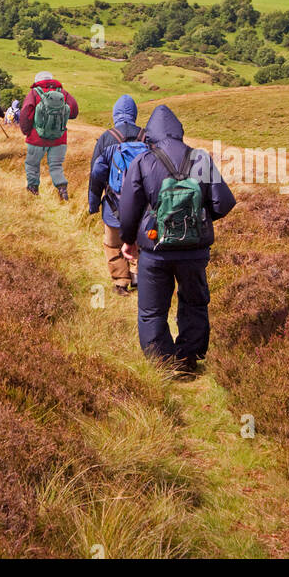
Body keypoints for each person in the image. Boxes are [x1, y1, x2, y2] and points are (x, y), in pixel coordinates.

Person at [119, 104, 236, 379]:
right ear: (179, 131)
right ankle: (187, 358)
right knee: (194, 303)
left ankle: (162, 362)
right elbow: (223, 203)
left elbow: (128, 209)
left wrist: (128, 240)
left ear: (150, 134)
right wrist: (197, 224)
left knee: (152, 309)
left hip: (155, 250)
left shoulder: (142, 161)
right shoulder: (201, 159)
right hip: (194, 252)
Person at [88, 95, 148, 295]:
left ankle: (121, 282)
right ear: (134, 113)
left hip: (114, 205)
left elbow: (96, 174)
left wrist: (93, 204)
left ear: (115, 113)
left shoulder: (107, 137)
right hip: (142, 205)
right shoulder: (145, 136)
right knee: (140, 241)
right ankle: (139, 277)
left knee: (112, 244)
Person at [19, 70, 79, 200]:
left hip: (36, 139)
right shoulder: (62, 93)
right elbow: (74, 111)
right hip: (59, 139)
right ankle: (62, 190)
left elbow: (25, 113)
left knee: (32, 164)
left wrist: (26, 131)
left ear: (37, 81)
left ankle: (33, 191)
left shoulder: (34, 93)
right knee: (56, 166)